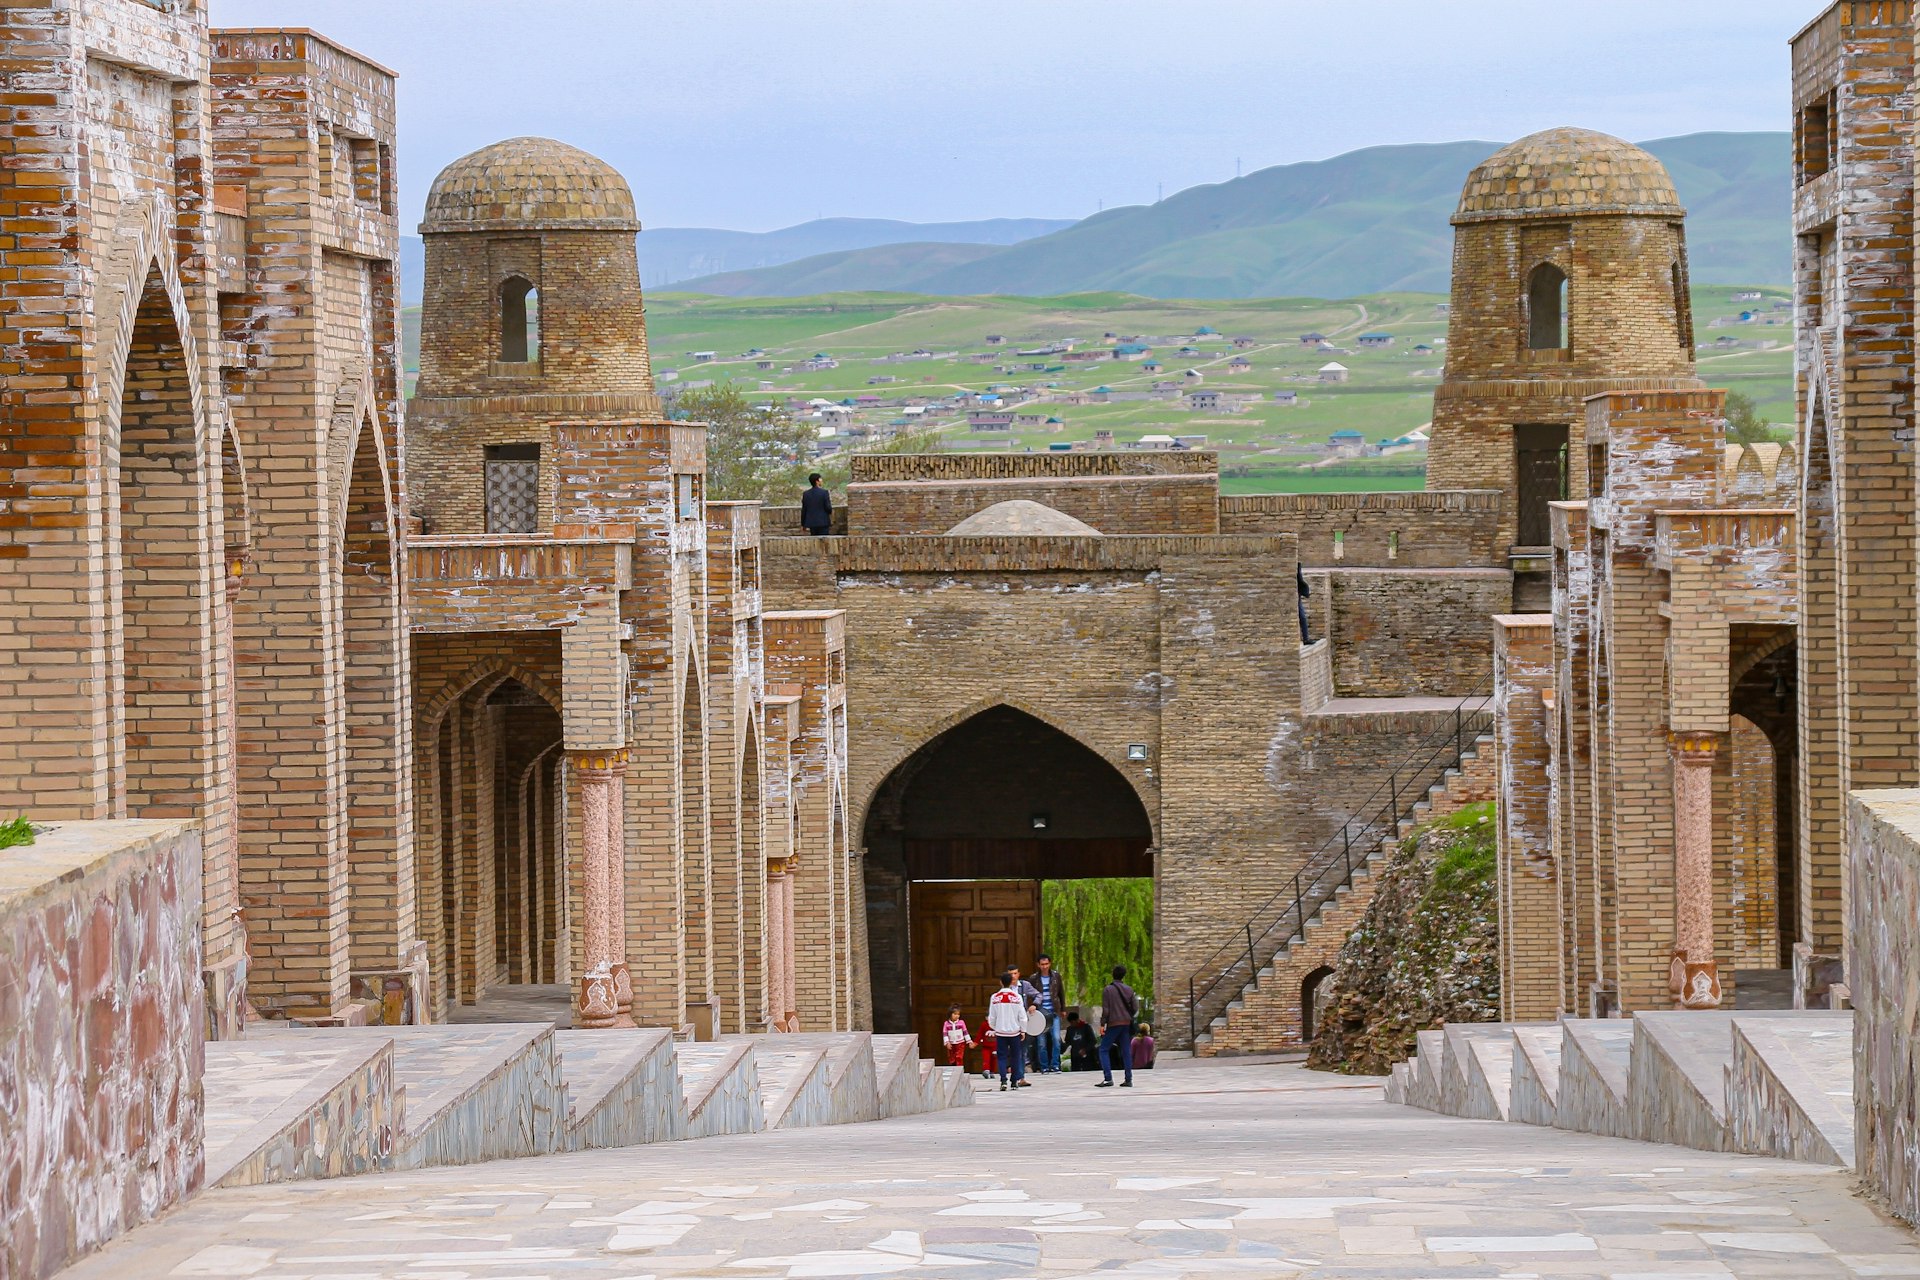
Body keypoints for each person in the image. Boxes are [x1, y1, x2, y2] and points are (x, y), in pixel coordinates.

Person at [1096, 963, 1137, 1088]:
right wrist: (1127, 1016)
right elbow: (1135, 1007)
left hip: (1114, 1023)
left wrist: (1103, 1024)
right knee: (1126, 1051)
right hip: (1126, 1023)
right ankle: (1128, 1079)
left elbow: (1106, 1009)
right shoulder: (1129, 989)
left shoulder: (1108, 990)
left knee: (1103, 1049)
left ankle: (1108, 1078)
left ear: (1112, 974)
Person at [987, 970, 1028, 1091]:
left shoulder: (995, 997)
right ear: (1011, 982)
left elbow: (992, 1017)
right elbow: (1022, 1016)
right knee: (1015, 1056)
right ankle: (1014, 1081)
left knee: (1002, 1057)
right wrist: (1023, 1030)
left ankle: (1003, 1080)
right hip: (1014, 1031)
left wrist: (995, 1027)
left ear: (1000, 982)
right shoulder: (1017, 997)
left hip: (1000, 1032)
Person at [1030, 954, 1066, 1074]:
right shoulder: (1034, 978)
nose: (1044, 966)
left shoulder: (1056, 976)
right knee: (1041, 1042)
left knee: (1056, 1038)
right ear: (1038, 965)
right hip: (1040, 1013)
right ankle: (1044, 1066)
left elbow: (1061, 993)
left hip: (1054, 1011)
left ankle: (1055, 1065)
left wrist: (1063, 1009)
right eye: (1042, 964)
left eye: (1046, 964)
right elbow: (1030, 995)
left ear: (1050, 964)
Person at [942, 1003, 974, 1070]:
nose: (957, 1016)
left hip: (960, 1042)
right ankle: (953, 1069)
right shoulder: (946, 1024)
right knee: (952, 1058)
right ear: (950, 1014)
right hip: (951, 1043)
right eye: (955, 1014)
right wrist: (947, 1042)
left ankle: (959, 1069)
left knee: (959, 1057)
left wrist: (969, 1041)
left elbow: (965, 1032)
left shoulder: (961, 1022)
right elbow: (945, 1034)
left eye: (958, 1014)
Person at [975, 1013, 998, 1079]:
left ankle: (992, 1071)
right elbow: (980, 1034)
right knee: (986, 1058)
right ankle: (986, 1070)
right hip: (986, 1046)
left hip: (995, 1046)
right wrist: (976, 1042)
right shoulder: (984, 1024)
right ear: (986, 1017)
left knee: (993, 1059)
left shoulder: (997, 1025)